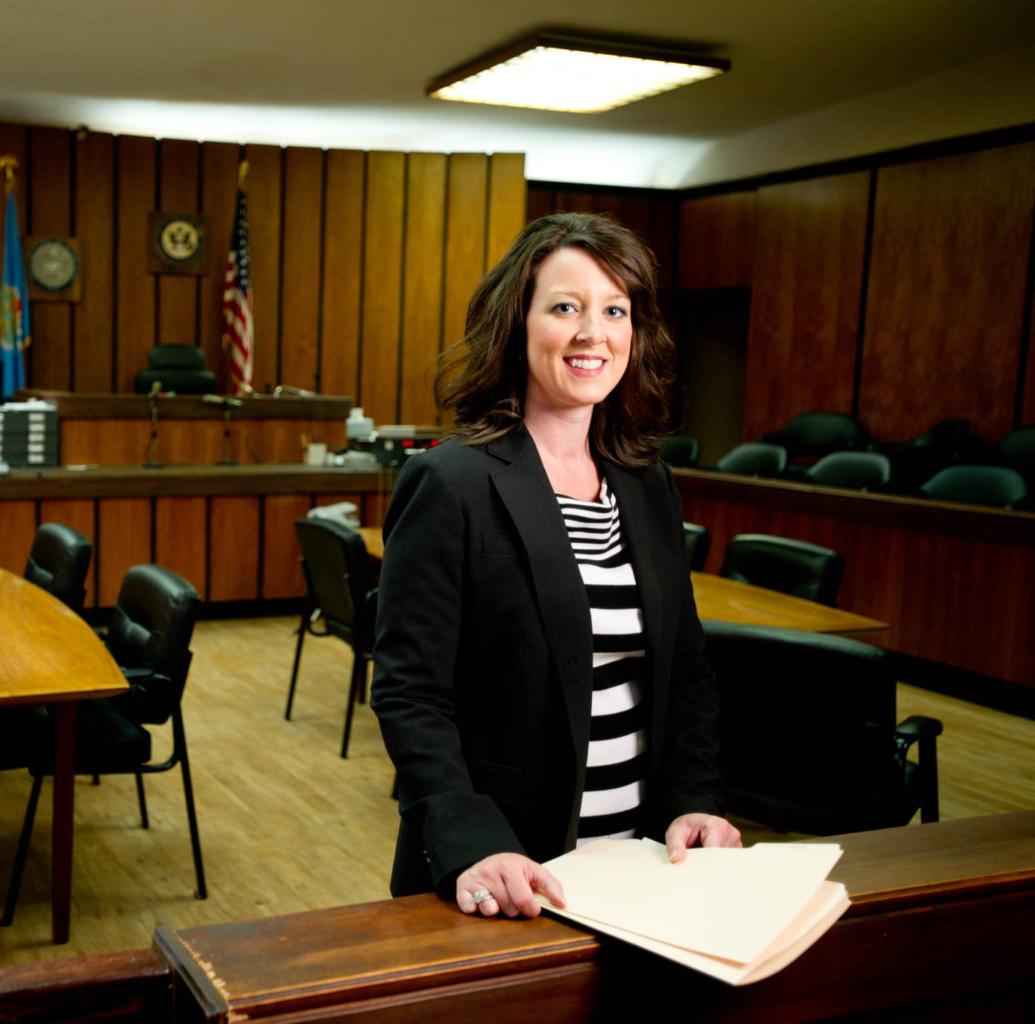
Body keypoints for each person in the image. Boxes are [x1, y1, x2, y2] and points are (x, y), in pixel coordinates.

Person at [371, 212, 740, 920]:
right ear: (518, 325)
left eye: (613, 310)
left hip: (643, 862)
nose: (590, 333)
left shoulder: (645, 482)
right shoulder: (452, 482)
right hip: (510, 869)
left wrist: (695, 801)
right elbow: (410, 692)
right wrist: (473, 841)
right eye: (564, 307)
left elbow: (685, 668)